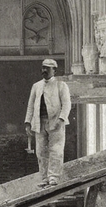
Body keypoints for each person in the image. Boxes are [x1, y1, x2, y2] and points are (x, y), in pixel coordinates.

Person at [24, 57, 73, 186]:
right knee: (41, 152)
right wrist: (28, 122)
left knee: (56, 150)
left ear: (54, 70)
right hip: (39, 123)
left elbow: (67, 104)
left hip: (56, 123)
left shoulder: (61, 85)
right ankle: (44, 178)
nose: (44, 70)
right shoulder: (36, 86)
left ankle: (53, 178)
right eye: (43, 68)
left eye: (47, 68)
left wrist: (61, 119)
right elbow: (30, 105)